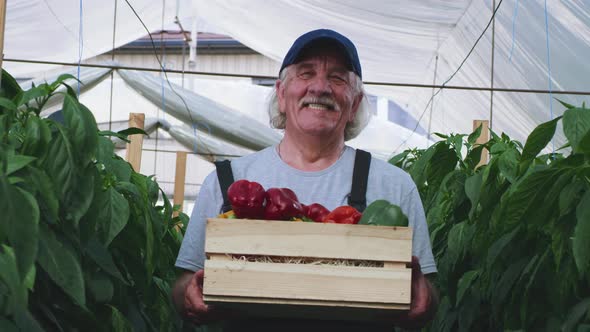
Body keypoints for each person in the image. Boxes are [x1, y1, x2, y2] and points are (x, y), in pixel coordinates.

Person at [173, 29, 438, 331]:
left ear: (355, 103)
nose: (320, 87)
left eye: (338, 78)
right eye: (305, 73)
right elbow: (183, 282)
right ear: (282, 95)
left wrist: (423, 299)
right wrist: (188, 295)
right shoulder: (227, 180)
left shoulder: (394, 185)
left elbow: (428, 292)